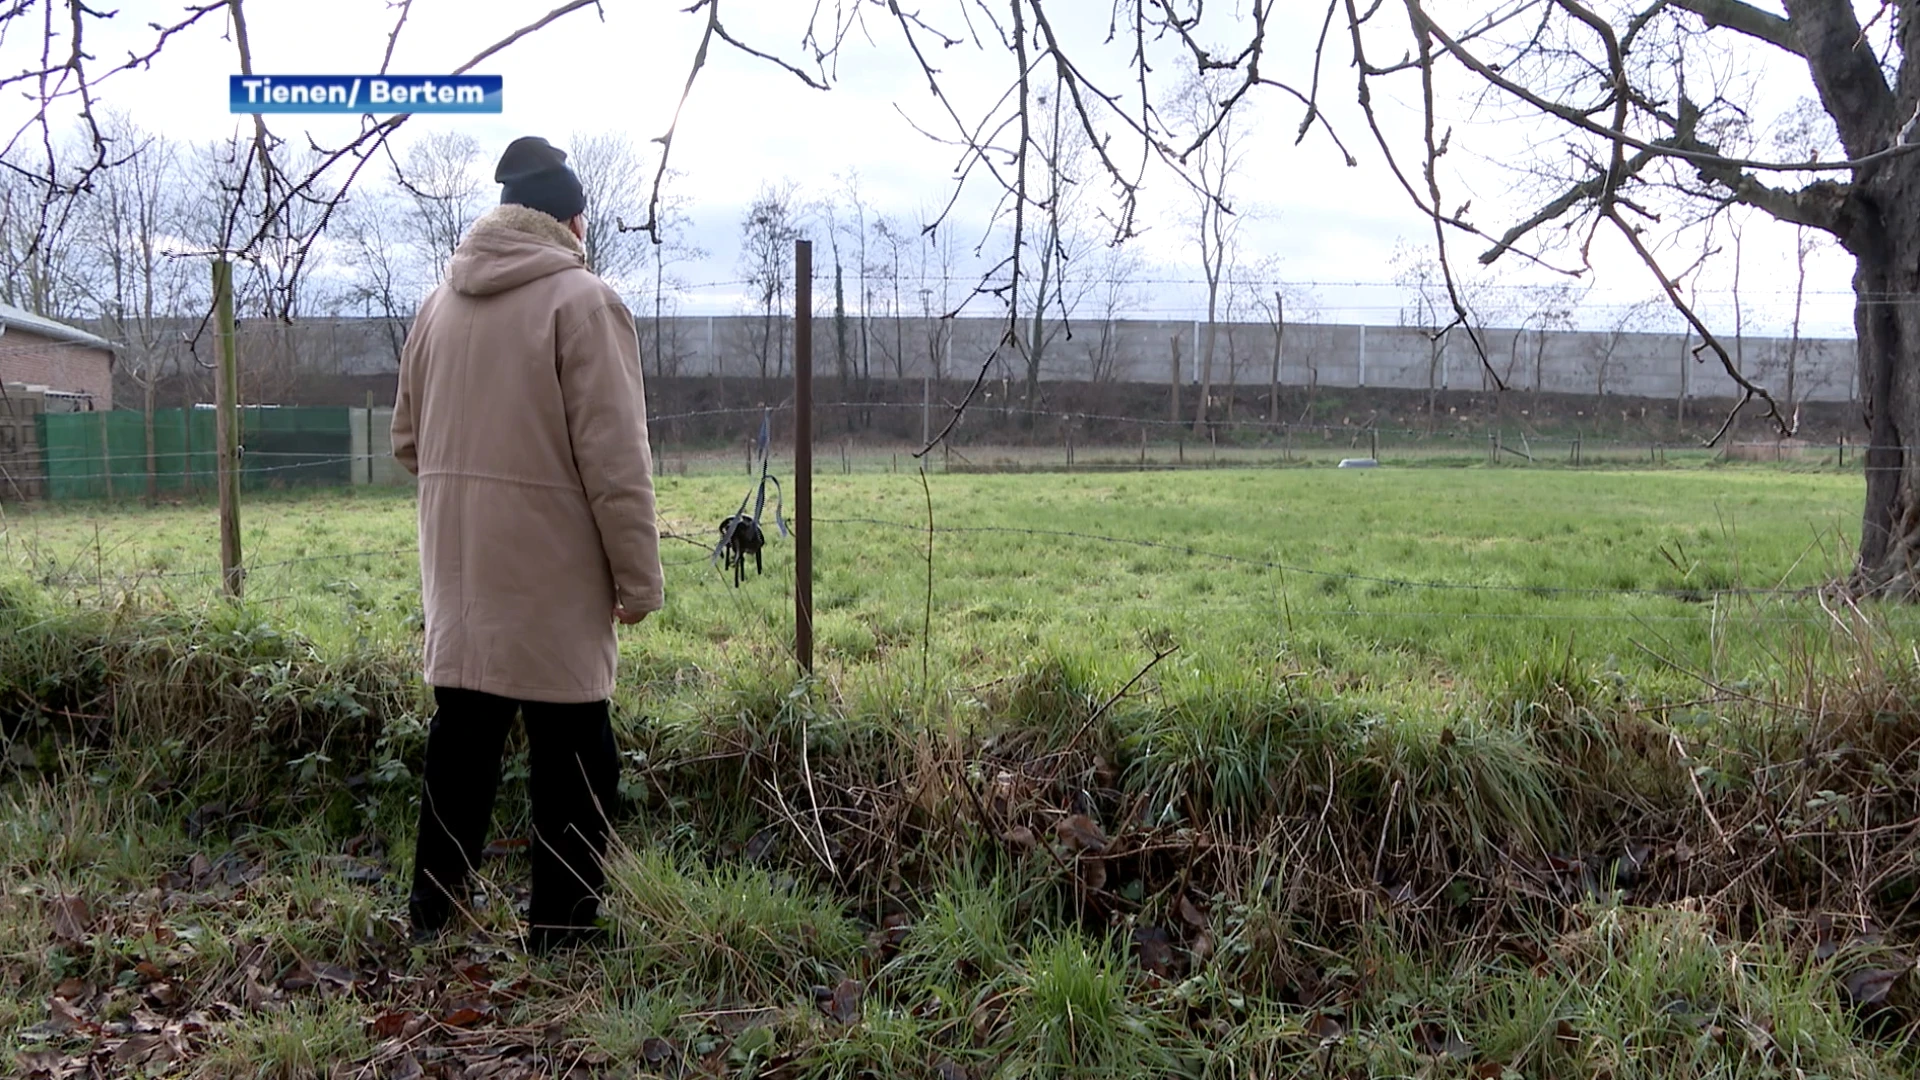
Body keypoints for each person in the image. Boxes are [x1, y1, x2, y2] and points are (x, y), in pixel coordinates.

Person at [390, 135, 663, 952]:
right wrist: (639, 583)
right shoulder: (582, 303)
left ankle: (433, 917)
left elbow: (407, 440)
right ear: (573, 221)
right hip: (553, 576)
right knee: (578, 756)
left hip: (460, 569)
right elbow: (616, 464)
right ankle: (562, 931)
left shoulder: (439, 304)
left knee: (463, 744)